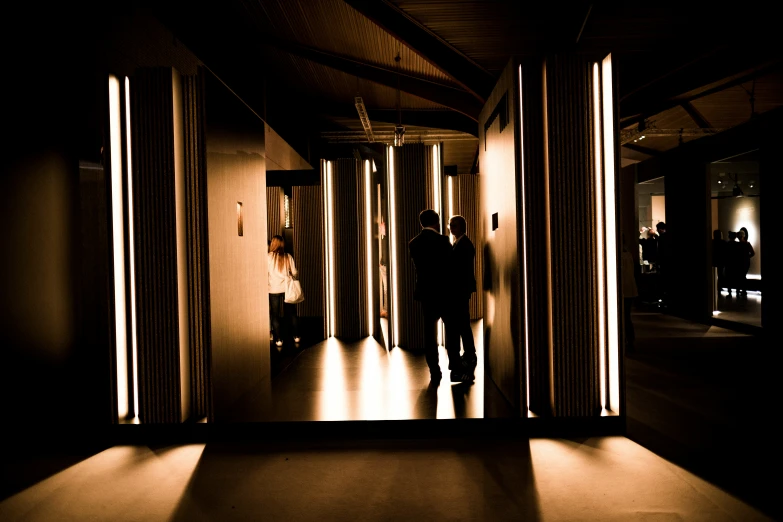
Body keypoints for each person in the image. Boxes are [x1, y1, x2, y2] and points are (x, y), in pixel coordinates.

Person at [408, 209, 459, 383]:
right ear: (437, 222)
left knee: (429, 334)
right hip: (445, 292)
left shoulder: (414, 243)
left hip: (426, 293)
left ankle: (434, 370)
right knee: (451, 330)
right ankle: (454, 367)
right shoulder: (443, 241)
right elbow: (451, 268)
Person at [444, 215, 477, 382]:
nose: (451, 228)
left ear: (462, 227)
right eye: (450, 225)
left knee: (462, 321)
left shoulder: (464, 245)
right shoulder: (460, 243)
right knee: (463, 321)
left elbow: (461, 270)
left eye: (454, 226)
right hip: (461, 290)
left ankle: (470, 352)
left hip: (461, 290)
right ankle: (470, 352)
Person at [268, 235, 300, 347]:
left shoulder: (268, 257)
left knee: (275, 315)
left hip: (273, 289)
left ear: (273, 244)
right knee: (292, 314)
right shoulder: (288, 256)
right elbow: (295, 273)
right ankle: (296, 337)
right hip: (287, 289)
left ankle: (278, 339)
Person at [621, 237, 639, 354]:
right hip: (630, 290)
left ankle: (627, 341)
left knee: (624, 317)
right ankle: (630, 341)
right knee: (627, 316)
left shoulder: (619, 256)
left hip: (623, 290)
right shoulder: (628, 255)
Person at [737, 227, 755, 297]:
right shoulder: (747, 244)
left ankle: (741, 290)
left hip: (740, 262)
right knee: (743, 276)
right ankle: (744, 291)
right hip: (746, 262)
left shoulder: (738, 245)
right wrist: (747, 257)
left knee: (740, 276)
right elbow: (753, 253)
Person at [712, 230, 726, 309]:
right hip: (721, 262)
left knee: (714, 276)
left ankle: (716, 289)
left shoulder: (712, 242)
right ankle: (719, 289)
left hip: (714, 261)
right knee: (720, 275)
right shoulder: (723, 242)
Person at [725, 231, 740, 298]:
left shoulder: (727, 244)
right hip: (736, 263)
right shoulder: (737, 244)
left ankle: (730, 293)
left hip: (728, 263)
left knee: (729, 279)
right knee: (737, 278)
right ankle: (737, 292)